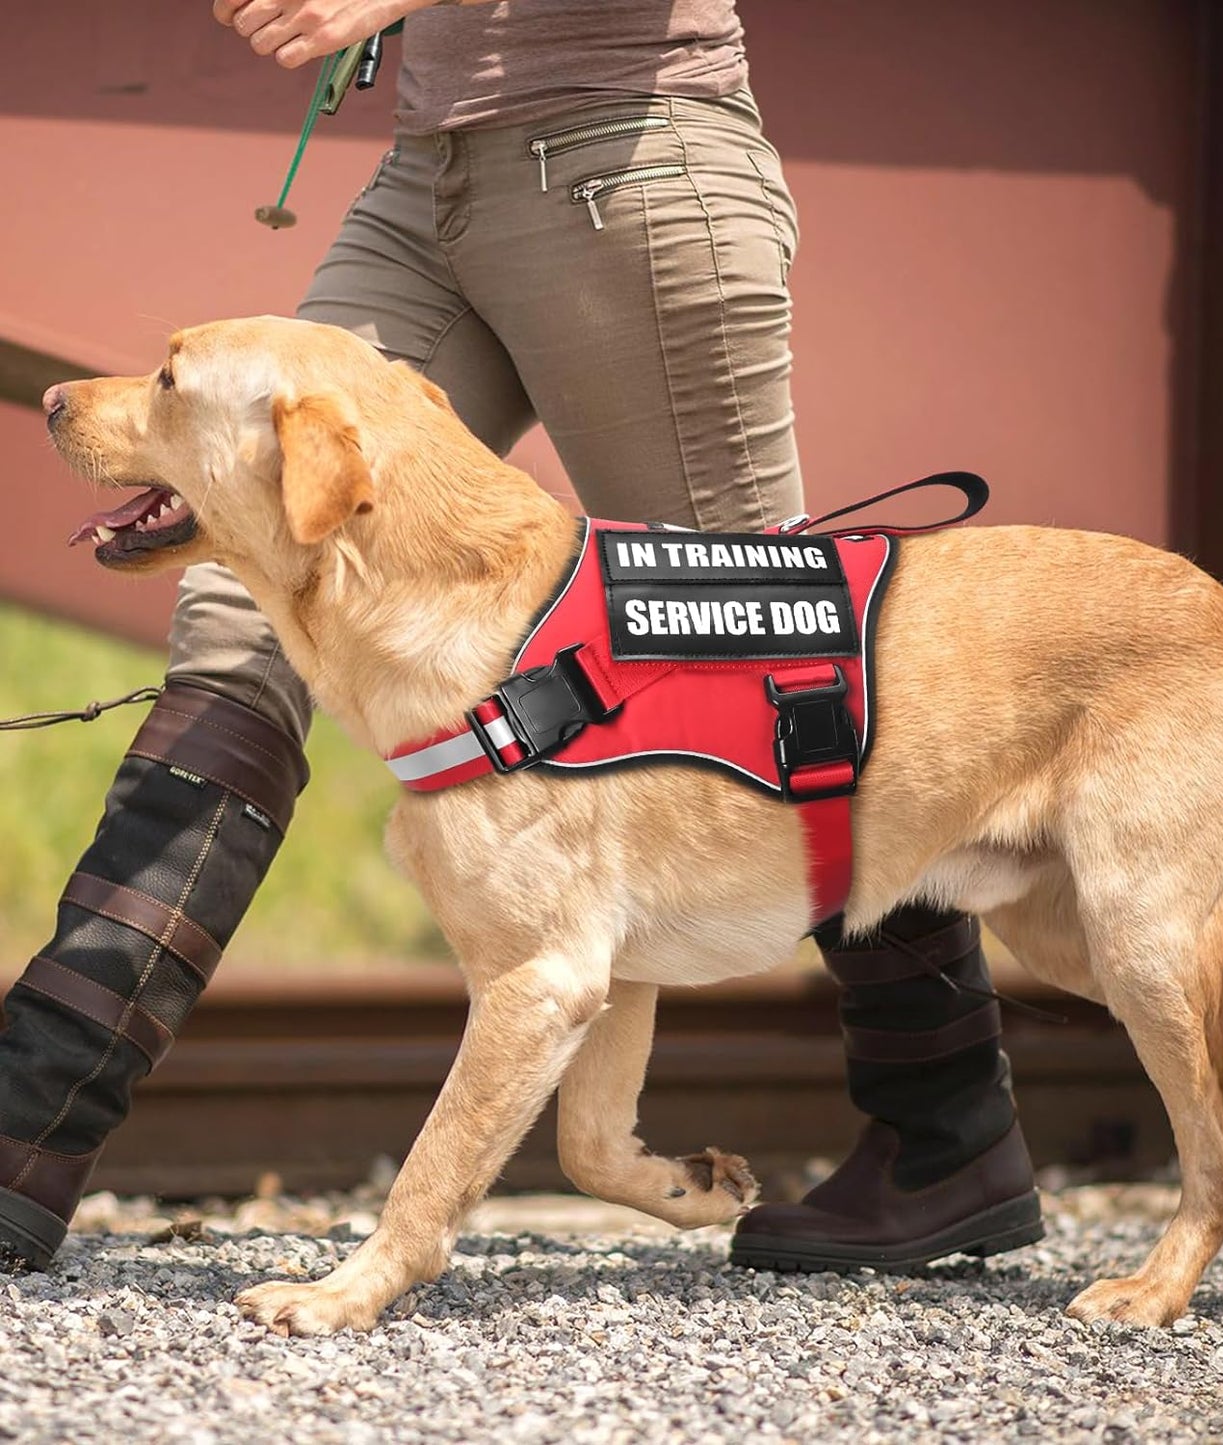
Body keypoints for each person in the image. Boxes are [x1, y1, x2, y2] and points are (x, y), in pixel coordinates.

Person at [0, 0, 1041, 1276]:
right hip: (431, 172)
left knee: (772, 658)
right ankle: (23, 1131)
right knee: (240, 598)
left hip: (627, 161)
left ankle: (947, 1136)